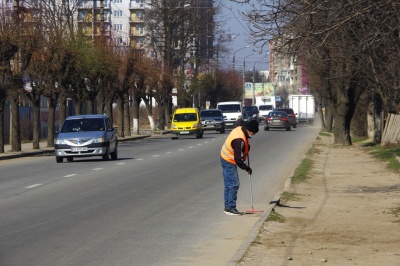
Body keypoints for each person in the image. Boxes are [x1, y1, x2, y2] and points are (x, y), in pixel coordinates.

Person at [220, 119, 259, 215]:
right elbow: (238, 159)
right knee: (234, 184)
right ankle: (230, 207)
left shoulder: (242, 129)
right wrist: (247, 168)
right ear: (249, 131)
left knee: (228, 184)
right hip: (228, 160)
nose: (253, 135)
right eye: (253, 133)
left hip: (225, 157)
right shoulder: (239, 139)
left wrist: (247, 148)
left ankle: (227, 206)